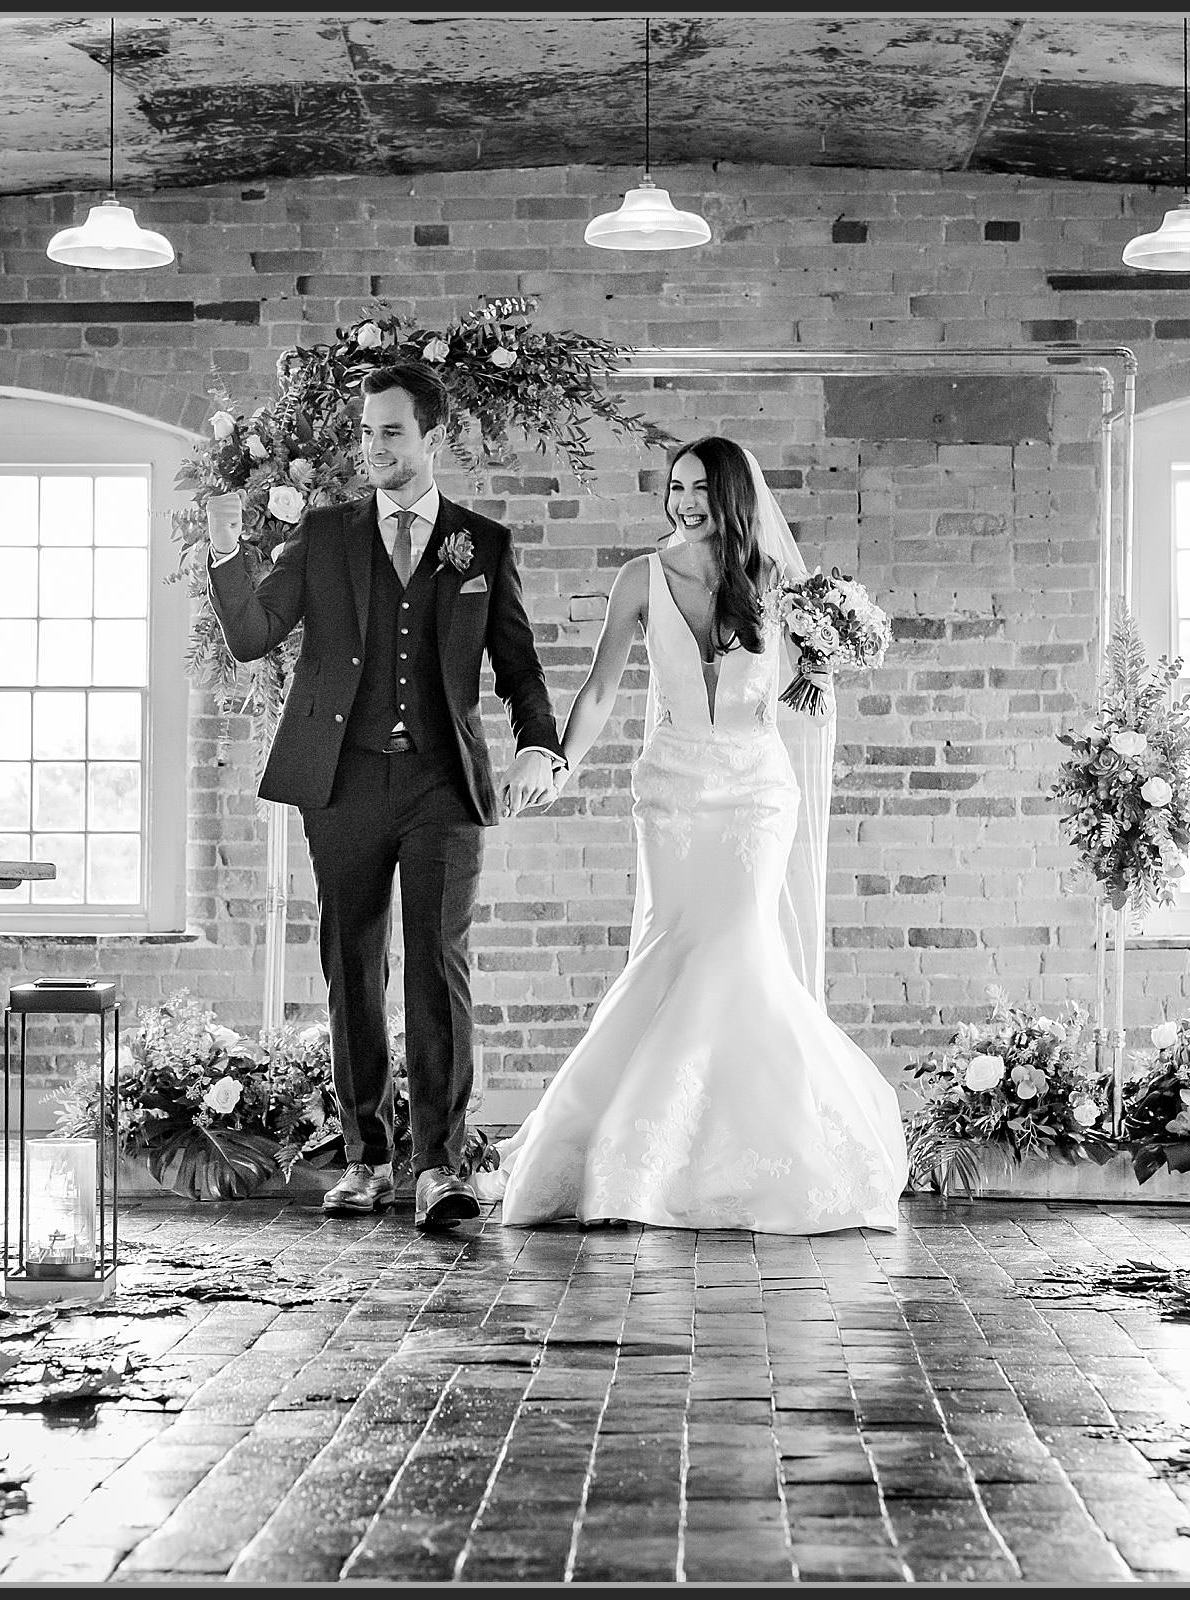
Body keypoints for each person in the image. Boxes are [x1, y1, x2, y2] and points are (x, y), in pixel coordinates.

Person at [495, 436, 909, 1232]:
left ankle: (746, 1154)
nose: (684, 502)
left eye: (699, 489)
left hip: (755, 793)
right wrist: (560, 764)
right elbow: (602, 689)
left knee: (741, 952)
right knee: (674, 952)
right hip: (673, 790)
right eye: (675, 487)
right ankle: (632, 1152)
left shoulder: (783, 585)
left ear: (731, 499)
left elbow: (805, 696)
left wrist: (827, 653)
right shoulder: (639, 579)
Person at [204, 362, 564, 1230]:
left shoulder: (482, 545)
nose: (372, 449)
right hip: (344, 783)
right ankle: (366, 1159)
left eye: (390, 433)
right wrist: (223, 549)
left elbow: (517, 670)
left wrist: (539, 748)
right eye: (365, 434)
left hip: (443, 782)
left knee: (439, 968)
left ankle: (439, 1165)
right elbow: (253, 638)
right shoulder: (324, 535)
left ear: (430, 438)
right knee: (351, 966)